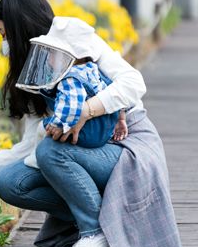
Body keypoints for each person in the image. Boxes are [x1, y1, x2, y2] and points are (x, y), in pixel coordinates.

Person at [0, 0, 182, 247]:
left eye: (4, 35)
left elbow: (134, 84)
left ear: (19, 29)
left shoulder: (73, 40)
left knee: (50, 152)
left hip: (125, 143)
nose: (4, 45)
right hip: (81, 151)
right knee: (11, 182)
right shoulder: (33, 71)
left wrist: (86, 110)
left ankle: (95, 232)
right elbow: (30, 145)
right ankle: (109, 220)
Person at [16, 15, 126, 148]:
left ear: (71, 57)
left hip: (88, 132)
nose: (48, 59)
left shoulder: (69, 79)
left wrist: (58, 125)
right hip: (106, 127)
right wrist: (120, 119)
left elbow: (71, 106)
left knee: (42, 127)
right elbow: (110, 89)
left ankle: (35, 159)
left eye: (53, 53)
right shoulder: (91, 69)